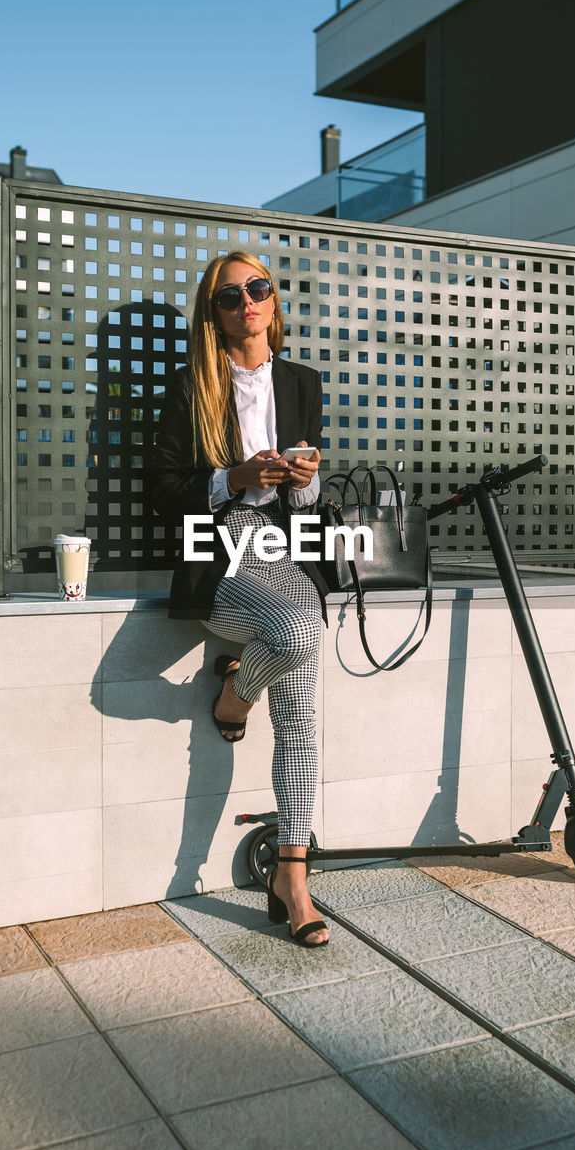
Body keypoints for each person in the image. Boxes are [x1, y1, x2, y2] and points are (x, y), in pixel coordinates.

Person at [150, 251, 330, 947]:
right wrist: (233, 475)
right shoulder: (189, 386)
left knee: (302, 718)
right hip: (221, 549)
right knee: (297, 633)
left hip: (287, 551)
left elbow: (308, 506)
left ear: (274, 302)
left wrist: (303, 477)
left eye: (258, 289)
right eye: (230, 296)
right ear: (214, 312)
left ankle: (292, 876)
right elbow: (162, 492)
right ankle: (234, 694)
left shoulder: (302, 382)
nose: (247, 302)